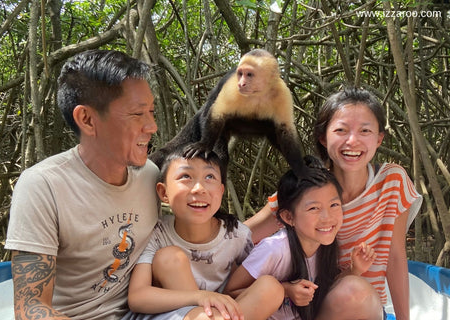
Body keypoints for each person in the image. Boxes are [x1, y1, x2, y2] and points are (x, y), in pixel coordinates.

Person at [5, 50, 160, 320]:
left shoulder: (150, 175)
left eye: (151, 111)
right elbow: (30, 307)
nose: (152, 126)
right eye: (137, 114)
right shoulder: (43, 186)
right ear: (87, 120)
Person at [246, 87, 422, 320]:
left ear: (379, 138)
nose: (352, 141)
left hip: (361, 305)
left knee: (353, 291)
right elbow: (243, 236)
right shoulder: (305, 186)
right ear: (323, 136)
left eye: (365, 130)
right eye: (341, 130)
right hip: (301, 306)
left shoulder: (392, 181)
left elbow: (395, 256)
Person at [125, 150, 284, 320]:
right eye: (186, 176)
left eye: (209, 177)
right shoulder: (156, 233)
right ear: (163, 192)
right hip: (175, 314)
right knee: (170, 258)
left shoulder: (237, 235)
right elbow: (137, 297)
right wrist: (199, 296)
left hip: (221, 314)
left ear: (221, 191)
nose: (199, 188)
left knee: (271, 287)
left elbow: (242, 287)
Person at [226, 156, 377, 320]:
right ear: (288, 217)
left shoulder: (324, 244)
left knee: (358, 290)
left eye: (334, 205)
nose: (327, 217)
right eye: (314, 208)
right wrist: (285, 290)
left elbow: (326, 291)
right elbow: (230, 292)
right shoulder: (275, 249)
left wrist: (355, 270)